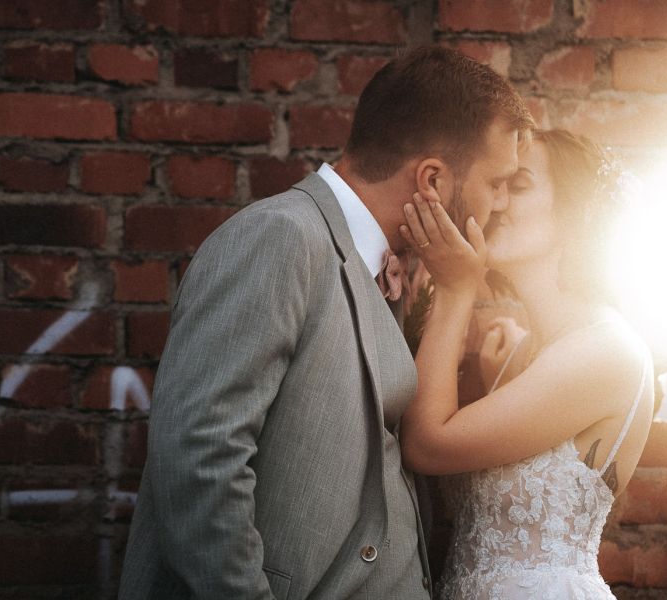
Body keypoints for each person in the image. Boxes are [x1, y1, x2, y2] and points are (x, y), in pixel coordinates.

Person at [117, 45, 533, 599]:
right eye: (498, 181)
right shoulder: (282, 237)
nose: (502, 202)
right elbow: (199, 463)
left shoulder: (386, 271)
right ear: (432, 180)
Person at [398, 129, 654, 599]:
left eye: (517, 187)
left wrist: (457, 288)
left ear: (575, 209)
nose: (495, 203)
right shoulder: (522, 355)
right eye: (497, 187)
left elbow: (427, 445)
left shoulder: (607, 351)